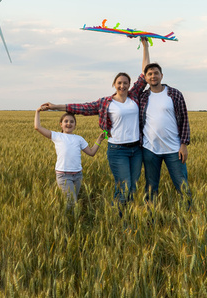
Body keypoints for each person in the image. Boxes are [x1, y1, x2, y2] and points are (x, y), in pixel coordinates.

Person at [41, 39, 150, 206]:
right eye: (119, 83)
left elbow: (145, 73)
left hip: (136, 149)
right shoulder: (105, 102)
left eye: (125, 83)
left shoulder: (134, 95)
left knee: (132, 186)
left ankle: (129, 217)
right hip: (117, 149)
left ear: (129, 85)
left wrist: (145, 46)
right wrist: (56, 106)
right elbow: (82, 108)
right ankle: (119, 217)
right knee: (124, 186)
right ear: (114, 84)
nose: (122, 85)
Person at [139, 61, 191, 206]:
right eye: (149, 74)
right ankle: (150, 219)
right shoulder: (143, 97)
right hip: (150, 150)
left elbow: (184, 120)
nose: (153, 76)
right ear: (146, 77)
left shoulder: (174, 94)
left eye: (156, 73)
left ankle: (189, 217)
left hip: (174, 149)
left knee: (182, 185)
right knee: (151, 187)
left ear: (161, 75)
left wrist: (184, 145)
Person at [34, 105, 103, 207]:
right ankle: (68, 221)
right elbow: (37, 127)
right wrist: (38, 111)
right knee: (71, 202)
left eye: (72, 122)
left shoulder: (79, 139)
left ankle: (70, 220)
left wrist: (99, 141)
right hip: (64, 175)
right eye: (66, 121)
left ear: (75, 125)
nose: (69, 124)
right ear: (61, 124)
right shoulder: (57, 136)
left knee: (71, 202)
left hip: (78, 175)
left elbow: (91, 153)